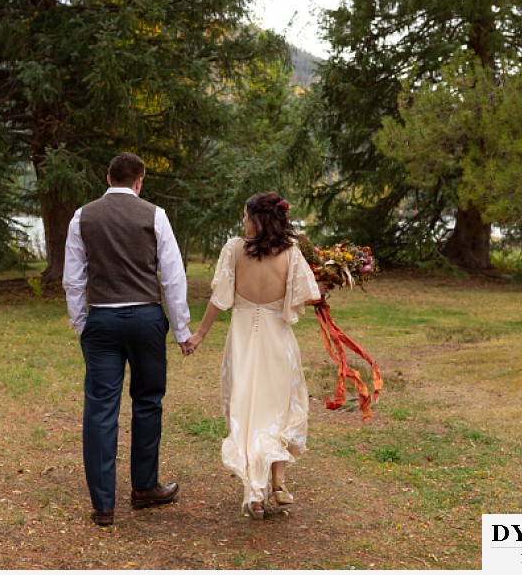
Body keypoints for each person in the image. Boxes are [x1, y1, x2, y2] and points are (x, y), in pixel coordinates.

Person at [62, 152, 192, 527]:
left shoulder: (82, 216)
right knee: (148, 400)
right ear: (139, 181)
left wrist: (81, 322)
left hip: (102, 319)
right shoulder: (155, 214)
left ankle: (103, 505)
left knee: (100, 408)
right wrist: (181, 330)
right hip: (146, 319)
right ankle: (144, 487)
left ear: (108, 177)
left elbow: (74, 277)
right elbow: (172, 276)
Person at [184, 192, 325, 520]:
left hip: (244, 341)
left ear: (257, 219)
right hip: (278, 340)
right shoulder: (290, 253)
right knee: (278, 408)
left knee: (248, 413)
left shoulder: (234, 250)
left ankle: (256, 494)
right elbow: (304, 300)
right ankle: (277, 482)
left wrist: (200, 335)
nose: (243, 222)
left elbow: (219, 299)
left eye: (246, 216)